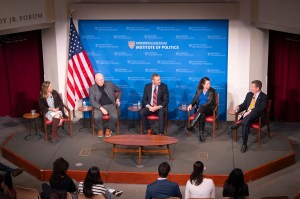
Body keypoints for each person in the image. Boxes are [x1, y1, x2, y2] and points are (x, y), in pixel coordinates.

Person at [230, 80, 268, 153]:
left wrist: (250, 111)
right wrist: (238, 106)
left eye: (252, 87)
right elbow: (244, 104)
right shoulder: (249, 94)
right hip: (247, 118)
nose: (250, 88)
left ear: (257, 88)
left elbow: (261, 108)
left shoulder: (264, 97)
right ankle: (244, 144)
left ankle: (238, 124)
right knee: (245, 124)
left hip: (257, 117)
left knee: (252, 113)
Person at [89, 73, 122, 138]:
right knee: (96, 117)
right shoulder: (92, 89)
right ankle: (100, 129)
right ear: (95, 80)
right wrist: (101, 108)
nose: (102, 81)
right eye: (99, 80)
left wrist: (118, 99)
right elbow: (92, 101)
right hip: (99, 106)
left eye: (102, 79)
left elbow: (120, 90)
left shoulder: (110, 84)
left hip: (110, 105)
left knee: (115, 116)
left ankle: (109, 129)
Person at [186, 77, 216, 142]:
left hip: (209, 109)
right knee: (202, 115)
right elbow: (195, 99)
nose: (209, 85)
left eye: (209, 83)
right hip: (200, 111)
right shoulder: (199, 90)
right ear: (203, 84)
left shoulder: (212, 90)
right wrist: (191, 104)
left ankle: (192, 125)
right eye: (207, 84)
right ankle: (201, 135)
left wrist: (201, 107)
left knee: (202, 107)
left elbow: (210, 102)